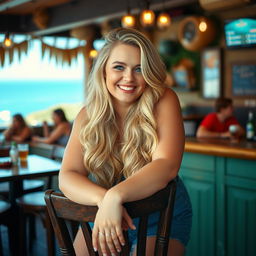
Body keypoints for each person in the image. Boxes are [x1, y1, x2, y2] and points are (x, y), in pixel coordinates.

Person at [59, 28, 192, 256]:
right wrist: (104, 199)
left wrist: (115, 195)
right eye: (118, 67)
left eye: (139, 69)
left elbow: (167, 165)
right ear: (103, 71)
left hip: (158, 217)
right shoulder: (87, 115)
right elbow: (68, 175)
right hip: (104, 215)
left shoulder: (164, 99)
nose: (129, 77)